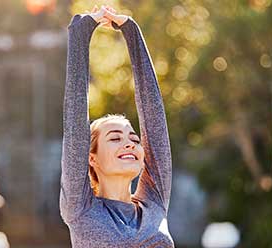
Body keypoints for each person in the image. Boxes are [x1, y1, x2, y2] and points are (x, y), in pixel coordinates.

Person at [60, 5, 174, 247]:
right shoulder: (81, 208)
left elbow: (154, 123)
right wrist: (81, 33)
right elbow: (75, 120)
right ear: (91, 158)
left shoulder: (154, 202)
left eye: (133, 139)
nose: (130, 144)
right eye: (115, 138)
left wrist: (132, 33)